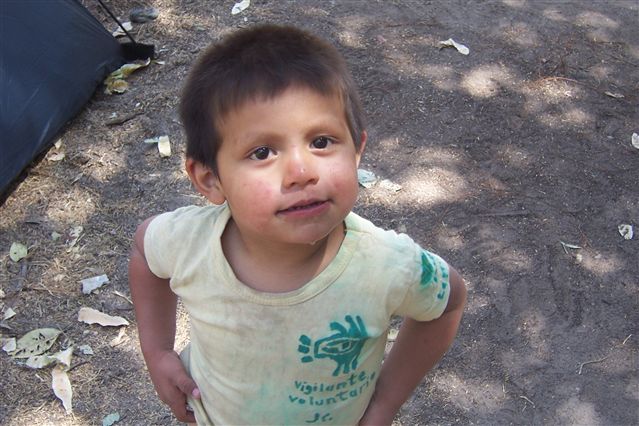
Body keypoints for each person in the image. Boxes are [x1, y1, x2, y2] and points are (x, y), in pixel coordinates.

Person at [128, 24, 466, 426]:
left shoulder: (388, 266)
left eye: (321, 142)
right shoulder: (189, 242)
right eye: (262, 152)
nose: (302, 172)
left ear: (356, 150)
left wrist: (385, 403)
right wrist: (157, 352)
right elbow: (144, 253)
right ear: (210, 179)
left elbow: (449, 301)